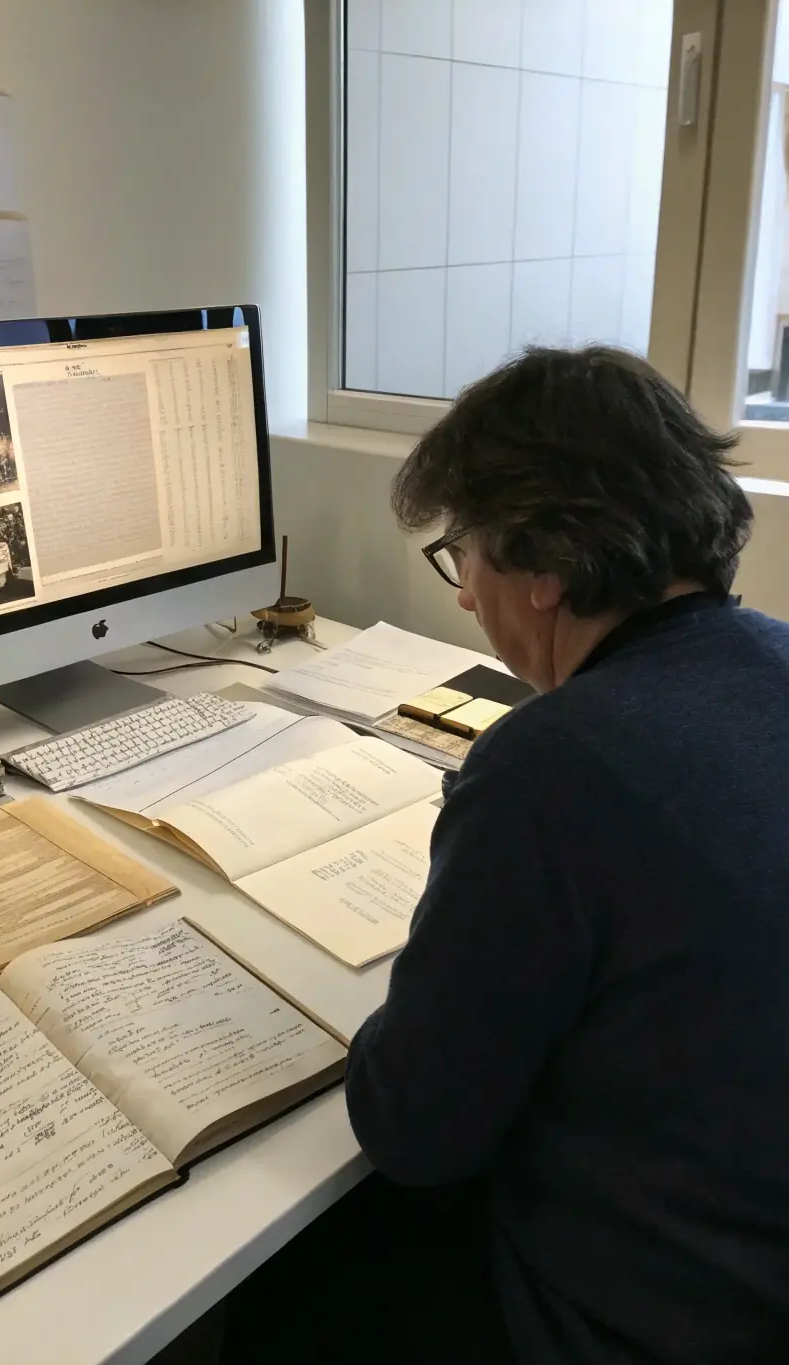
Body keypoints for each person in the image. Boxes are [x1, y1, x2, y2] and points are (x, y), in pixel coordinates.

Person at [221, 346, 789, 1365]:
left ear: (548, 570)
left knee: (277, 1301)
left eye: (466, 553)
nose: (463, 597)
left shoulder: (551, 766)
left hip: (642, 1319)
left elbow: (415, 1132)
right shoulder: (775, 656)